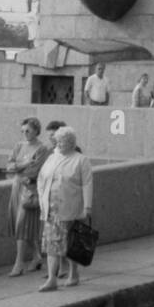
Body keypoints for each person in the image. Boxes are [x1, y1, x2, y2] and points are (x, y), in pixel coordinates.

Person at [37, 125, 93, 291]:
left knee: (71, 244)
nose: (59, 144)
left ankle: (73, 273)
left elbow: (87, 184)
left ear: (71, 143)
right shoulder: (51, 158)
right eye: (58, 141)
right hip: (50, 209)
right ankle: (52, 279)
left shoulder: (80, 160)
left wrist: (87, 207)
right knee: (51, 244)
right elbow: (41, 179)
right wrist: (42, 199)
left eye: (63, 141)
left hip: (71, 207)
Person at [5, 117, 50, 277]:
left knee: (21, 226)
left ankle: (19, 264)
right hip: (17, 188)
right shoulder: (19, 146)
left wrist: (19, 168)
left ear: (36, 131)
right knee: (22, 226)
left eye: (28, 131)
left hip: (30, 190)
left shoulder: (42, 148)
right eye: (23, 131)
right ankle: (37, 256)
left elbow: (34, 171)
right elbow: (9, 166)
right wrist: (24, 165)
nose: (25, 134)